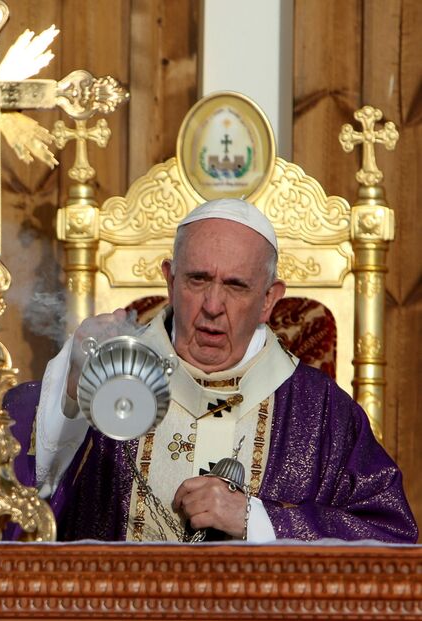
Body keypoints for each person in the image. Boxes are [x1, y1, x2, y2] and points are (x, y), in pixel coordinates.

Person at [33, 198, 417, 543]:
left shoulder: (320, 412)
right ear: (169, 279)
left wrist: (256, 519)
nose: (213, 305)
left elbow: (390, 537)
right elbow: (33, 498)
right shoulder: (111, 373)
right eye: (197, 279)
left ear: (269, 299)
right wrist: (73, 384)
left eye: (235, 286)